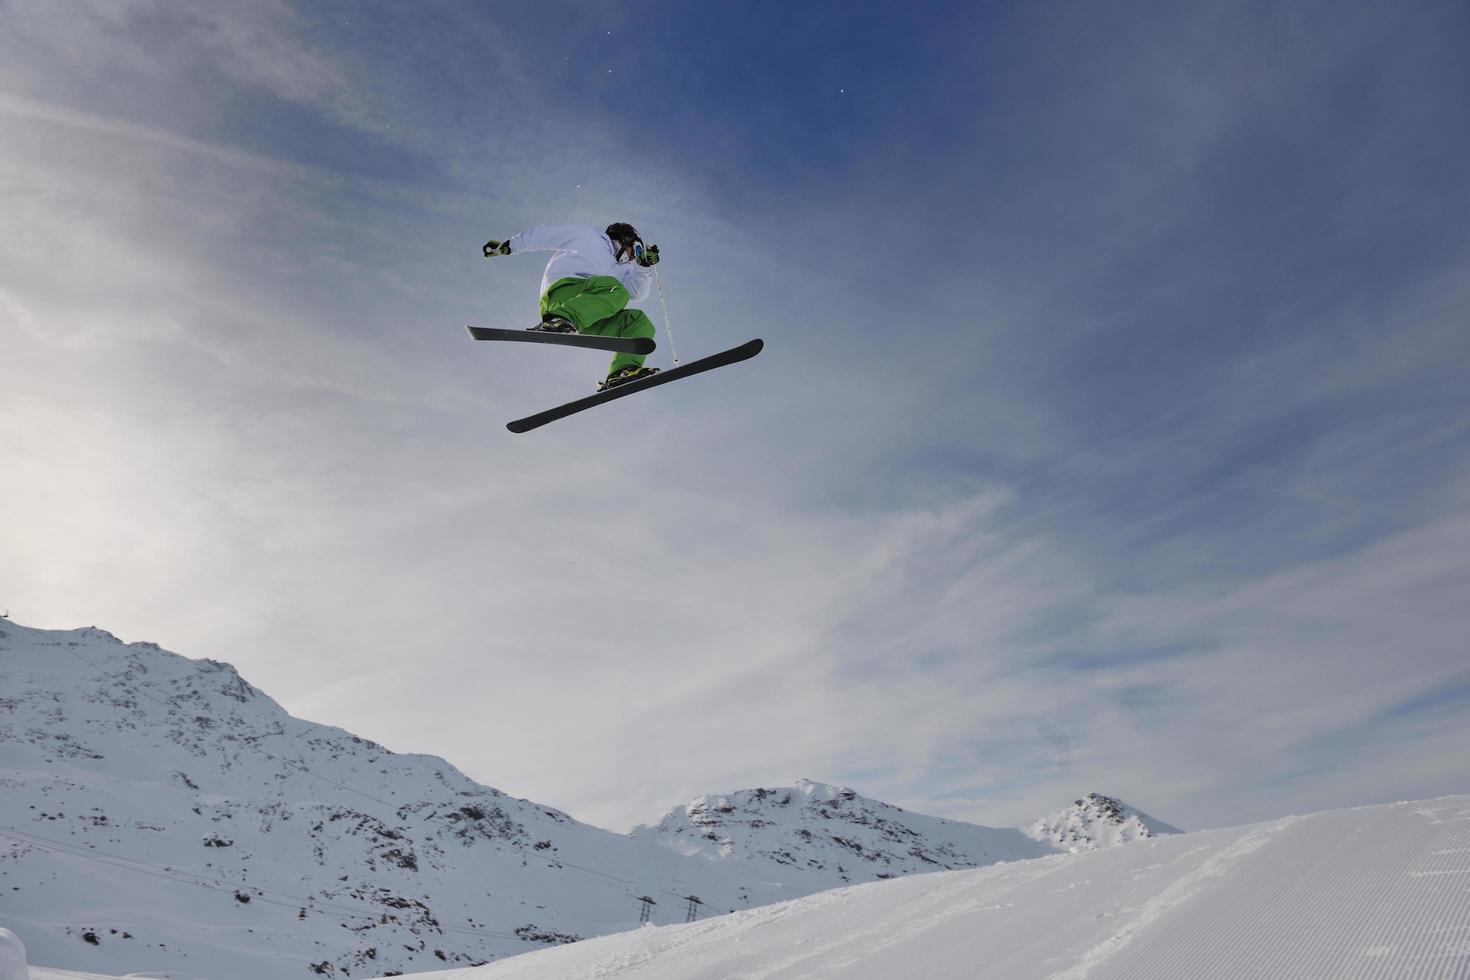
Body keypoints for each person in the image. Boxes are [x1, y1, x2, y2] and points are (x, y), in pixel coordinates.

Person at [483, 223, 662, 390]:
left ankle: (622, 371)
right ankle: (557, 320)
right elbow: (545, 235)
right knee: (617, 290)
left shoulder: (623, 269)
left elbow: (637, 294)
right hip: (563, 294)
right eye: (636, 250)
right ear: (625, 239)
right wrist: (509, 245)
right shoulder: (588, 237)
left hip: (586, 315)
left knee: (638, 321)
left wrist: (643, 266)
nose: (633, 258)